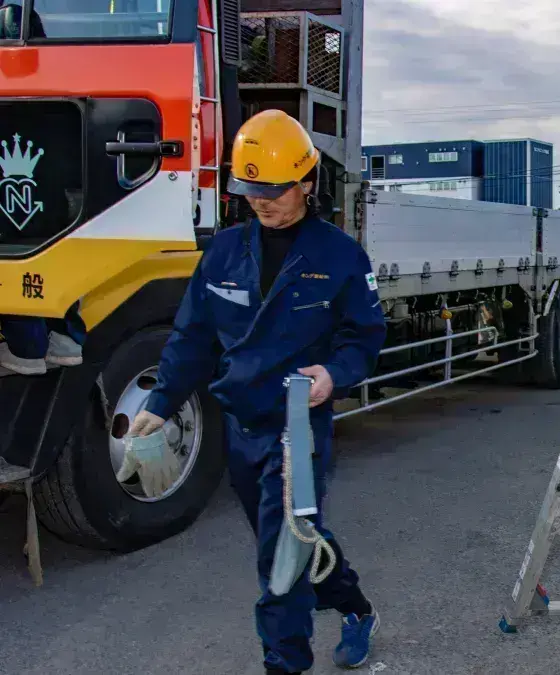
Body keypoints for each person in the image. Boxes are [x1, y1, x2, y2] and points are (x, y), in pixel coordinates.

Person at [125, 109, 387, 674]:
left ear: (306, 182)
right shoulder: (222, 253)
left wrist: (334, 374)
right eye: (250, 189)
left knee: (281, 561)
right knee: (292, 537)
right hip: (240, 429)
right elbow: (193, 336)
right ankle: (356, 606)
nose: (261, 201)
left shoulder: (339, 256)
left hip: (299, 430)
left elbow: (365, 337)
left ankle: (285, 665)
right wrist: (160, 402)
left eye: (273, 189)